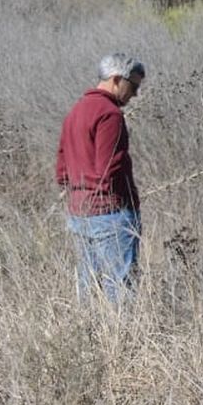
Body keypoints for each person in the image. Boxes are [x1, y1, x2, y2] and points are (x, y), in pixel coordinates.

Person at [56, 53, 146, 302]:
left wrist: (80, 193)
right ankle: (123, 340)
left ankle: (90, 337)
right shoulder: (110, 114)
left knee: (88, 286)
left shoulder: (76, 111)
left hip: (79, 212)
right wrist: (118, 202)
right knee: (120, 288)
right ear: (117, 80)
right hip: (110, 214)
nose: (135, 94)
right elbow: (109, 168)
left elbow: (62, 170)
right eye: (134, 86)